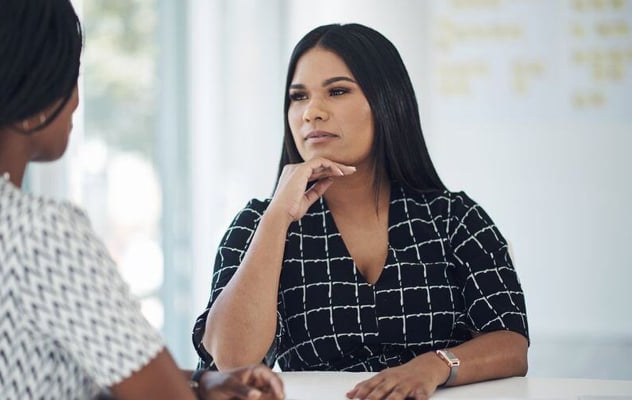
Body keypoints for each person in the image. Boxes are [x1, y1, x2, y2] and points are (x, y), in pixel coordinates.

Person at [0, 0, 284, 399]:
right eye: (72, 75)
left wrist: (200, 382)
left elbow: (37, 371)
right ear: (29, 105)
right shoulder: (40, 233)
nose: (76, 100)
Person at [193, 23, 529, 400]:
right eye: (298, 97)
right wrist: (276, 218)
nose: (312, 113)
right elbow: (230, 361)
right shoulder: (258, 223)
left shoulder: (455, 218)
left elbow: (511, 343)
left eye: (337, 91)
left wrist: (432, 366)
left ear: (387, 101)